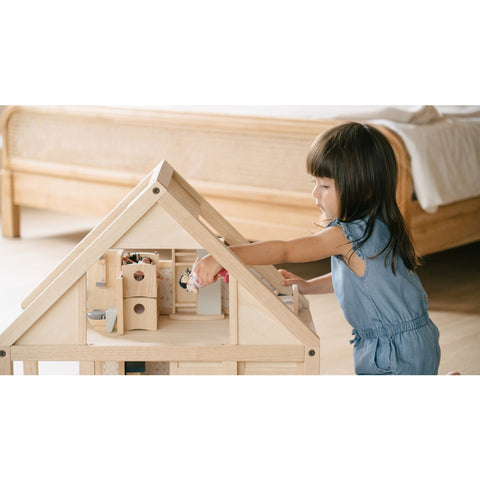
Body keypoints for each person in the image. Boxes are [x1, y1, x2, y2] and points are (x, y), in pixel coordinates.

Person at [193, 122, 441, 375]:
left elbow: (285, 250)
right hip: (410, 340)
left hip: (392, 349)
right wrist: (310, 286)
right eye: (314, 183)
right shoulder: (377, 225)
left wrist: (224, 256)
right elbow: (363, 281)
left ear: (364, 189)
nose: (314, 193)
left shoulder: (346, 235)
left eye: (324, 186)